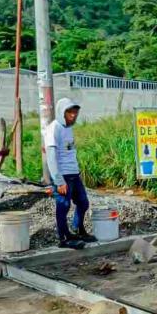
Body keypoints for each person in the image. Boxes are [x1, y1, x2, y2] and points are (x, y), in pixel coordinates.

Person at [43, 98, 95, 250]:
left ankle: (78, 229)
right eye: (69, 112)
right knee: (63, 205)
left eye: (75, 112)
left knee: (83, 202)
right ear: (61, 112)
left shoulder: (68, 128)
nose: (73, 115)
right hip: (62, 175)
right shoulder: (54, 128)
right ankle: (63, 238)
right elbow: (51, 157)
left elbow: (69, 151)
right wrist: (58, 181)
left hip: (73, 173)